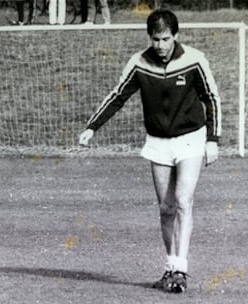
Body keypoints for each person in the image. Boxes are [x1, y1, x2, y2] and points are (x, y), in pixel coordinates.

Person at [79, 10, 221, 293]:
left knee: (183, 200)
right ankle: (170, 268)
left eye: (166, 39)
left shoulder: (194, 59)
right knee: (166, 208)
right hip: (158, 141)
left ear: (175, 36)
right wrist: (92, 127)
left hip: (191, 137)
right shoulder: (140, 63)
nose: (161, 45)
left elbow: (211, 97)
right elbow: (117, 96)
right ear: (150, 38)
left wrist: (213, 139)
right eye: (155, 39)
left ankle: (181, 267)